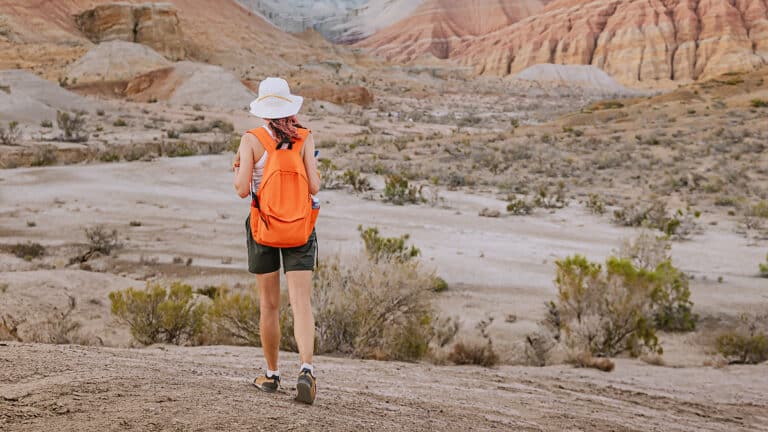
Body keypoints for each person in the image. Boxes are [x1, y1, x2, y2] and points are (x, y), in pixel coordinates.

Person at [232, 77, 320, 404]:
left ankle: (271, 375)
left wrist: (238, 168)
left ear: (262, 109)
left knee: (269, 305)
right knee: (301, 304)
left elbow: (242, 190)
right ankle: (306, 369)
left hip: (264, 228)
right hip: (299, 227)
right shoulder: (304, 137)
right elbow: (314, 186)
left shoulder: (251, 139)